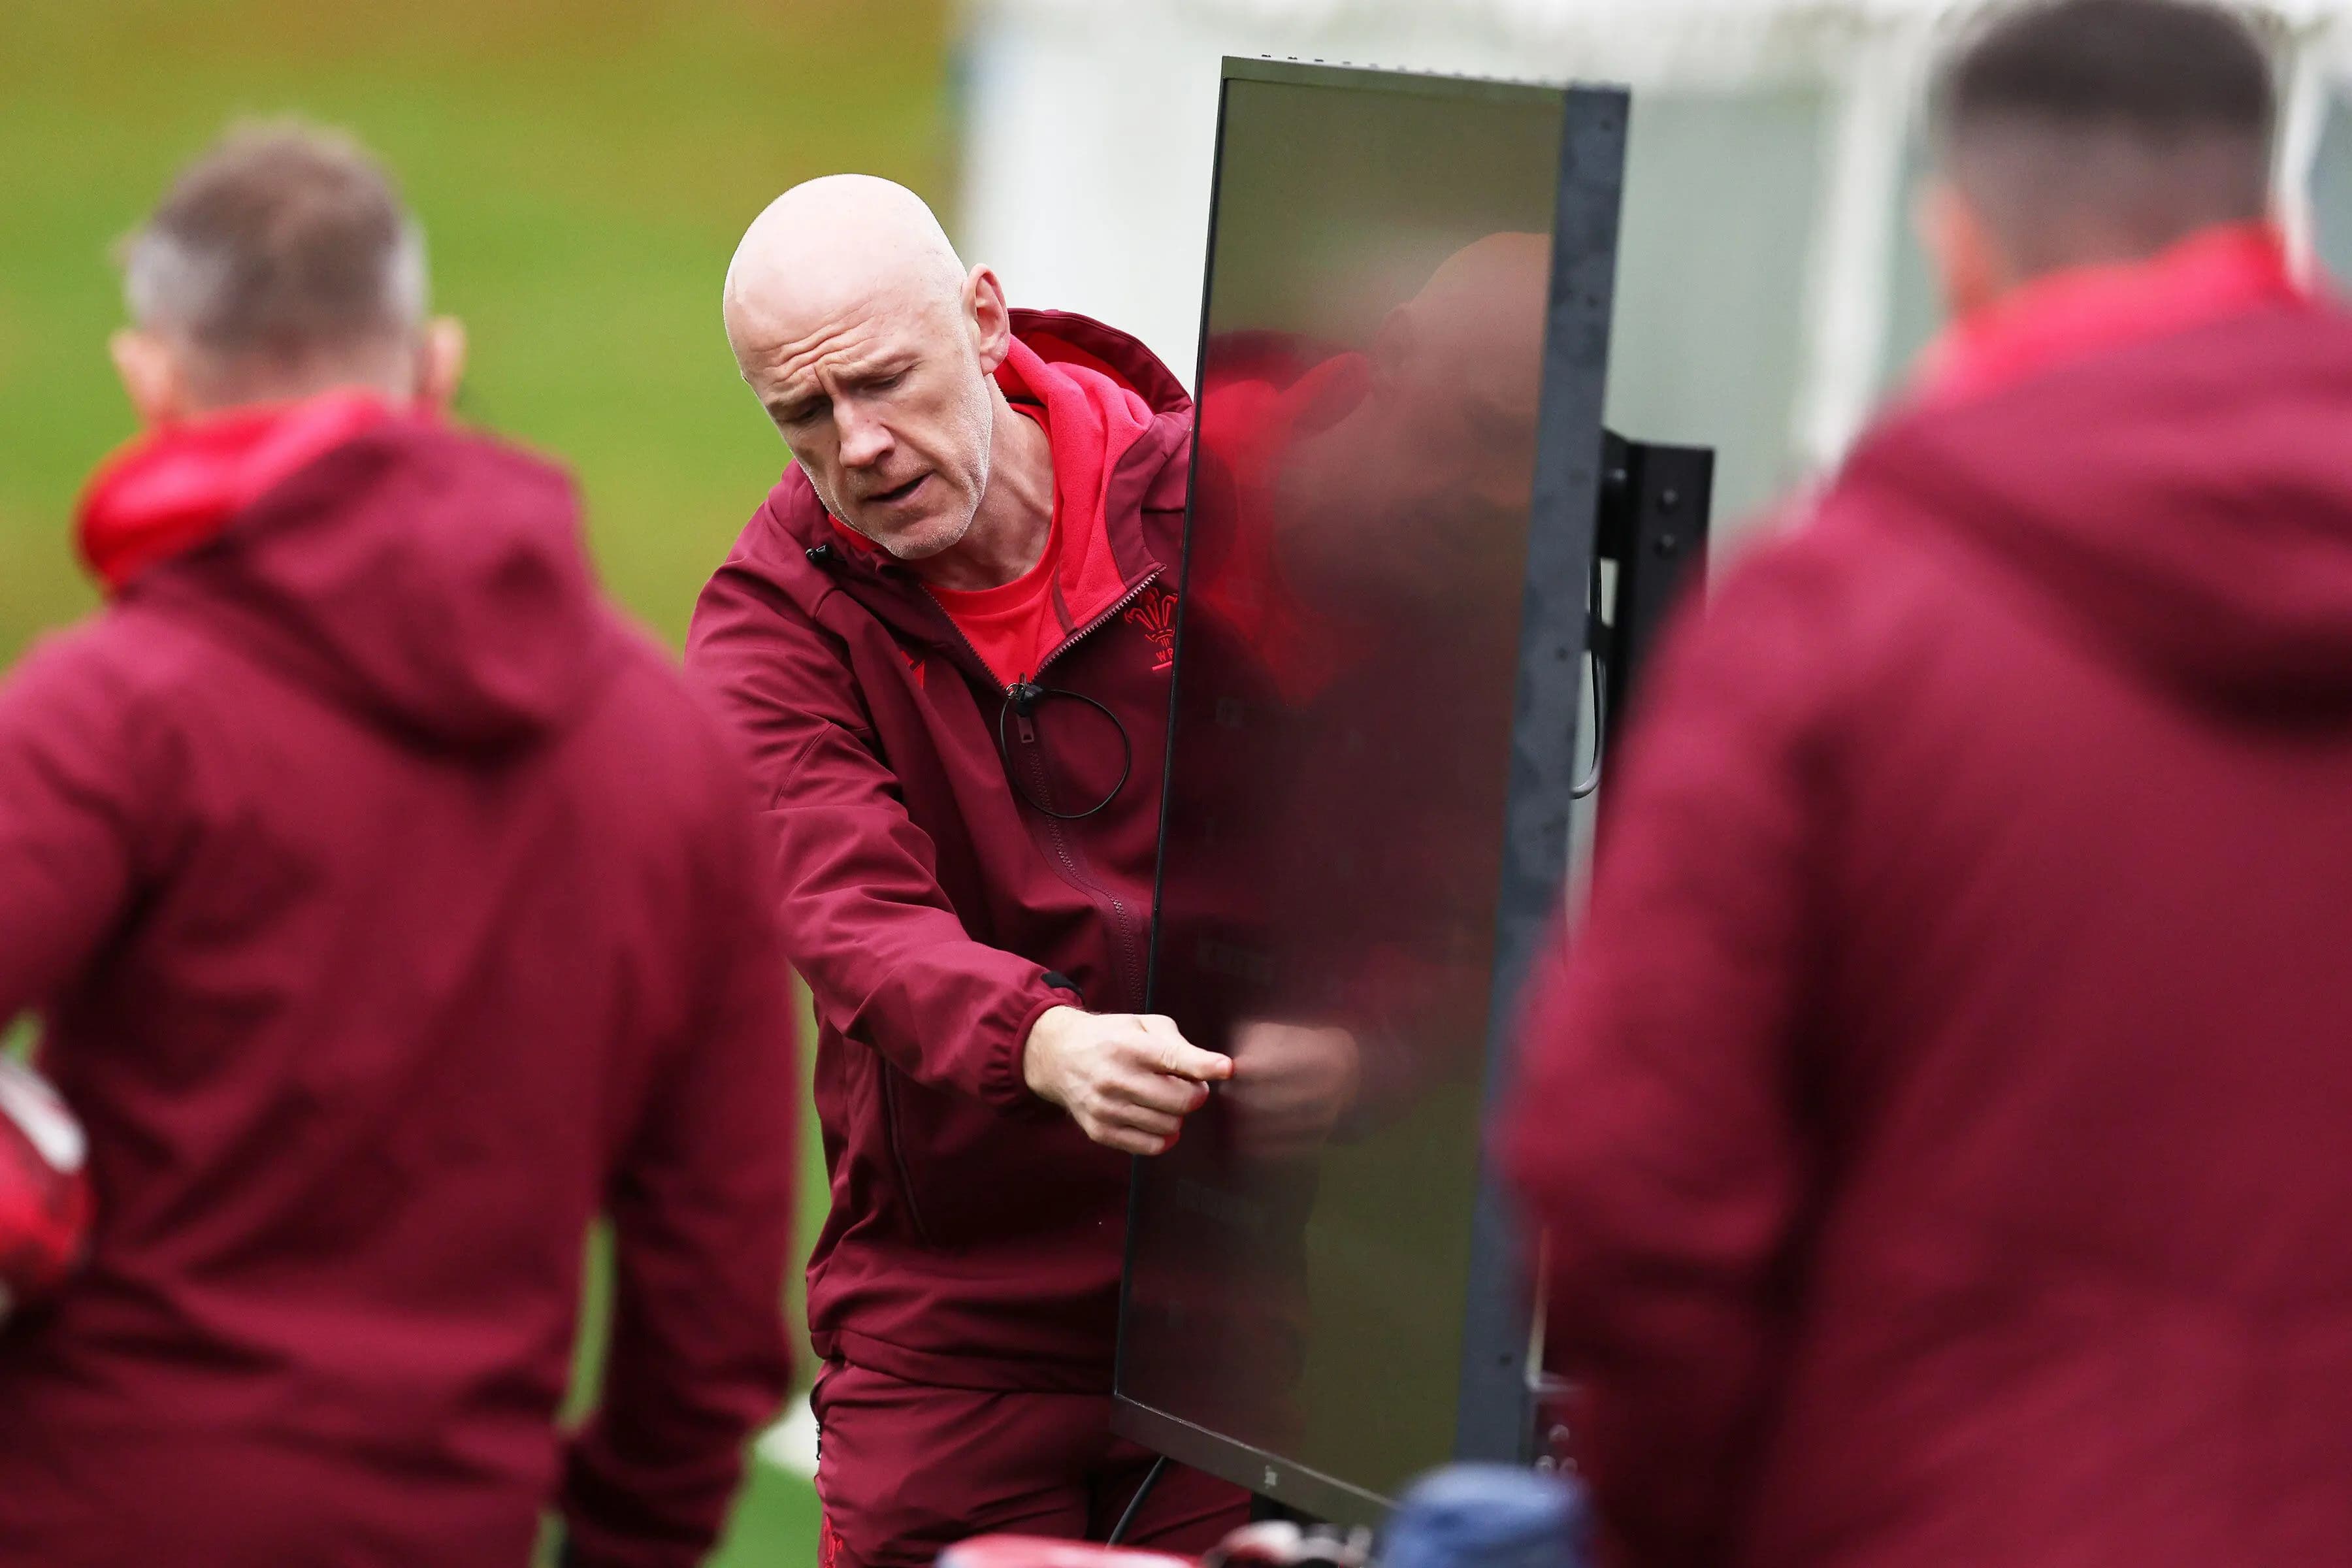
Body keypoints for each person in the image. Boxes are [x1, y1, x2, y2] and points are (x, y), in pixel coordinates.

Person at [1505, 2, 2352, 1565]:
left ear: (1956, 242)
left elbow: (1634, 1183)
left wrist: (1691, 1525)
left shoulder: (1828, 627)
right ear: (2271, 220)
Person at [0, 122, 798, 1568]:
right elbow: (717, 1295)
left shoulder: (113, 714)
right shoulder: (674, 759)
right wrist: (630, 1543)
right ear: (433, 369)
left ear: (152, 385)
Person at [686, 176, 1249, 1568]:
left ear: (984, 320)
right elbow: (843, 911)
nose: (860, 446)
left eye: (885, 381)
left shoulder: (1223, 514)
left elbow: (1405, 822)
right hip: (955, 1316)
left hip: (1260, 1290)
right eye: (804, 416)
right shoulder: (771, 618)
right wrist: (1043, 1043)